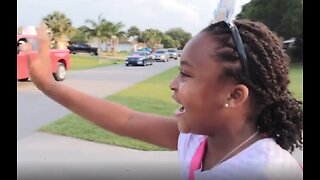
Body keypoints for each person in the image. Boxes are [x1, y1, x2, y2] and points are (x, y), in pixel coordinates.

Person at [21, 19, 303, 180]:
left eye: (185, 74)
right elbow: (127, 120)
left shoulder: (266, 171)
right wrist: (48, 85)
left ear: (234, 95)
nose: (172, 84)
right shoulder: (201, 140)